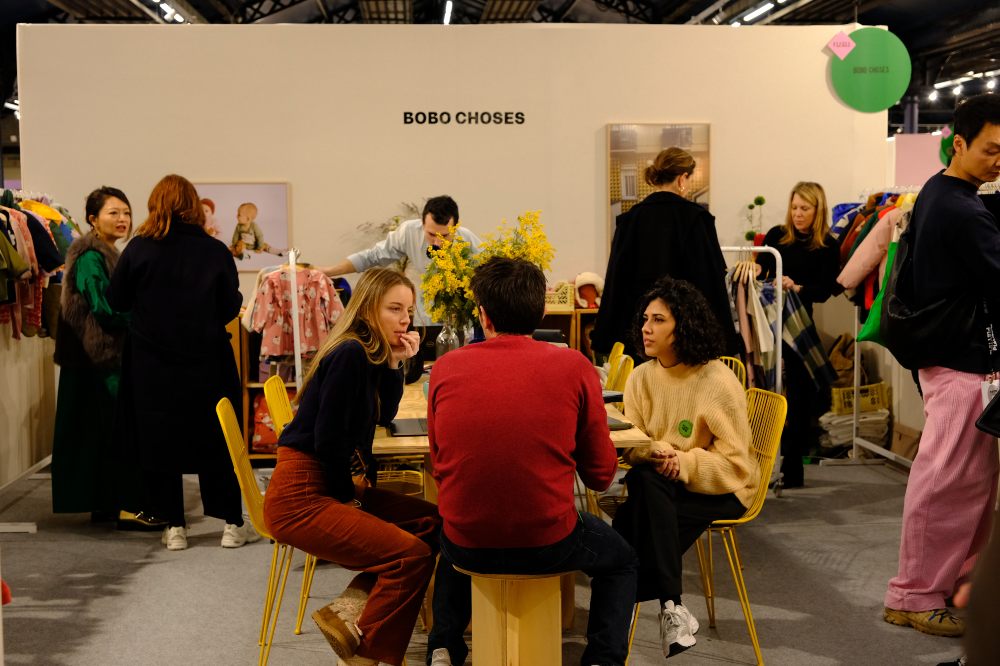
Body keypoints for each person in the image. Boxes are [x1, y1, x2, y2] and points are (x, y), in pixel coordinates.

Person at [425, 256, 638, 666]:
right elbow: (598, 477)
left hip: (468, 544)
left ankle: (443, 646)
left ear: (483, 316)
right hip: (548, 542)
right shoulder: (574, 365)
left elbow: (439, 461)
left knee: (457, 531)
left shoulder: (446, 367)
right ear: (543, 311)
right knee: (622, 561)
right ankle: (602, 660)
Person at [263, 267, 440, 666]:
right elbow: (328, 441)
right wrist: (349, 500)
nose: (404, 319)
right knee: (410, 556)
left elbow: (384, 414)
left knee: (435, 525)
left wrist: (396, 363)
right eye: (394, 309)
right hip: (304, 493)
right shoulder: (350, 353)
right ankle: (364, 657)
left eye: (408, 311)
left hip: (330, 480)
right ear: (367, 309)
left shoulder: (369, 352)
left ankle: (349, 610)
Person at [883, 94, 1000, 638]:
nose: (998, 162)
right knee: (946, 484)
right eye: (990, 151)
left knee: (965, 486)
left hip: (953, 364)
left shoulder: (940, 193)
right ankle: (913, 595)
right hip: (958, 368)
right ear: (959, 144)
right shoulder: (958, 206)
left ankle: (943, 589)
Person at [109, 174, 257, 551]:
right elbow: (229, 306)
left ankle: (174, 526)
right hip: (207, 360)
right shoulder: (215, 250)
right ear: (194, 206)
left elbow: (117, 300)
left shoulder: (138, 249)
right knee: (218, 438)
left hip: (151, 364)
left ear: (155, 204)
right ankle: (231, 524)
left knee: (160, 441)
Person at [612, 276, 754, 658]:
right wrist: (658, 453)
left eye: (658, 320)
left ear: (683, 326)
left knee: (628, 531)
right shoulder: (641, 377)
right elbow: (634, 446)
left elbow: (739, 465)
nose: (646, 328)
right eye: (645, 319)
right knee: (645, 479)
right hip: (661, 485)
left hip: (722, 489)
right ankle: (671, 607)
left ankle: (614, 635)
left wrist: (685, 461)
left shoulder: (717, 382)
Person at [50, 186, 164, 531]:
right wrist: (145, 319)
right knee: (113, 432)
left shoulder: (109, 254)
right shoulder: (89, 256)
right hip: (94, 360)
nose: (122, 220)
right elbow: (104, 307)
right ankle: (125, 507)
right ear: (92, 219)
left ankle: (109, 505)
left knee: (102, 434)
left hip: (98, 359)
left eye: (126, 213)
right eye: (113, 213)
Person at [592, 147, 737, 360]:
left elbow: (617, 279)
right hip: (686, 337)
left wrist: (605, 335)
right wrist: (724, 338)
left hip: (640, 334)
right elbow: (710, 280)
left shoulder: (630, 219)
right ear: (682, 178)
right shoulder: (696, 219)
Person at [755, 181, 840, 488]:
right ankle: (763, 463)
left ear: (818, 210)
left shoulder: (828, 246)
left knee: (800, 395)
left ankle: (792, 468)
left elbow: (826, 291)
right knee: (768, 388)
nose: (798, 214)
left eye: (805, 208)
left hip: (799, 325)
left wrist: (797, 286)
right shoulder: (777, 237)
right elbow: (762, 270)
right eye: (794, 208)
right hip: (768, 322)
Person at [319, 195, 481, 342]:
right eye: (431, 235)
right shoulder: (409, 232)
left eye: (444, 236)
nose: (437, 243)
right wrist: (329, 271)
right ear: (422, 224)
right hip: (422, 318)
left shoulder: (467, 241)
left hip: (458, 322)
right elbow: (372, 256)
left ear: (456, 227)